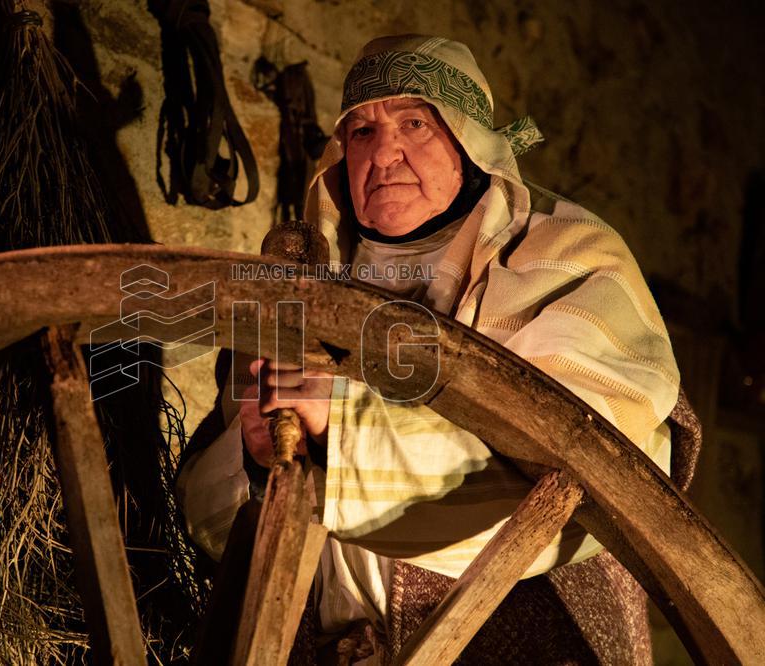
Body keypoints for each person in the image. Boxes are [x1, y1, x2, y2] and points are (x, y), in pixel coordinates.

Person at [177, 34, 679, 659]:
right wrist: (255, 457)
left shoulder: (566, 257)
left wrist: (344, 425)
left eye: (414, 122)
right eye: (360, 131)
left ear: (469, 142)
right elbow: (208, 515)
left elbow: (591, 455)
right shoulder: (300, 287)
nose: (383, 152)